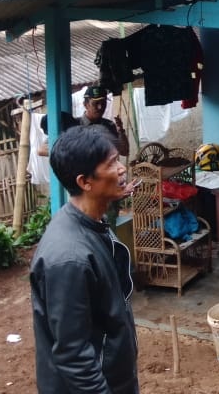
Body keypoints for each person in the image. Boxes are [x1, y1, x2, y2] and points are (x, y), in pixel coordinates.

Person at [31, 126, 139, 394]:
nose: (122, 168)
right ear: (85, 182)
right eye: (112, 163)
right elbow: (73, 354)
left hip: (113, 376)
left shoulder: (92, 223)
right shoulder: (69, 258)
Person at [38, 85, 130, 156]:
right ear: (85, 104)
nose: (100, 107)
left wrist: (120, 131)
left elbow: (124, 151)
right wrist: (78, 151)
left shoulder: (109, 125)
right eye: (96, 103)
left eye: (103, 103)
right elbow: (42, 150)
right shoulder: (73, 125)